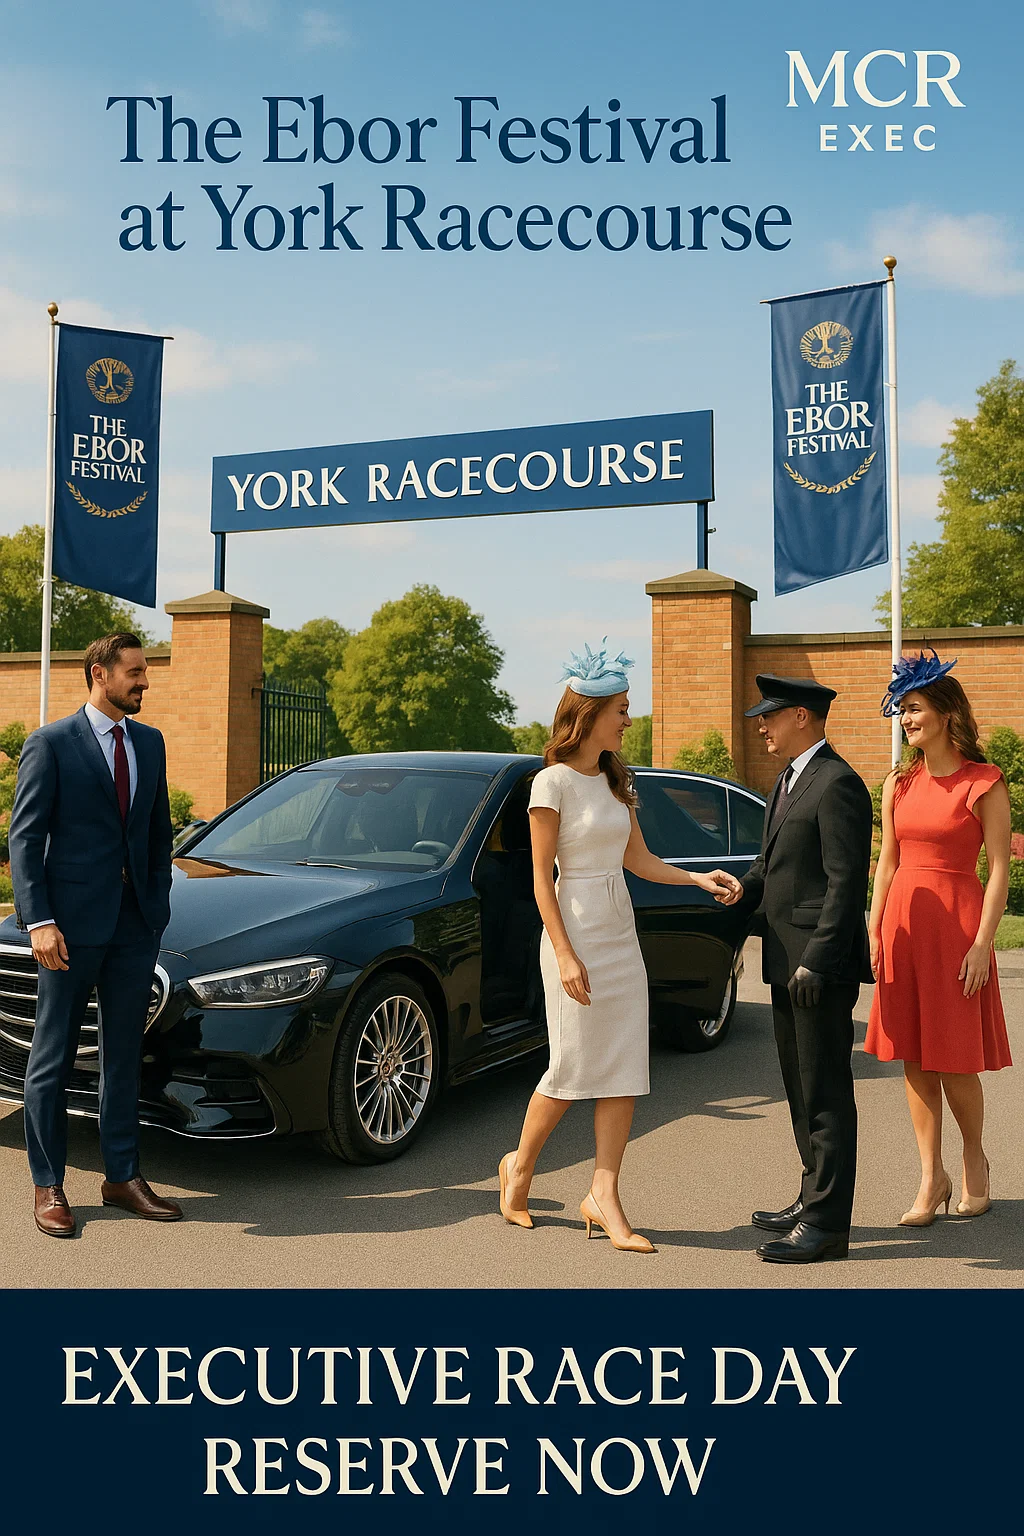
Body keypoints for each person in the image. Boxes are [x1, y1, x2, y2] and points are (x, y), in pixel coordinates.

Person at [497, 642, 742, 1252]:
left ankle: (603, 1194)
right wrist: (565, 953)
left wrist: (696, 879)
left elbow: (639, 860)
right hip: (573, 930)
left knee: (625, 1065)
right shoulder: (550, 782)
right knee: (570, 1066)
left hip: (618, 933)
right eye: (622, 709)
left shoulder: (617, 780)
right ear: (590, 713)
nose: (629, 719)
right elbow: (540, 880)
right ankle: (519, 1168)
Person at [8, 633, 181, 1237]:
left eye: (144, 671)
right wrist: (39, 920)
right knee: (52, 1056)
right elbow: (25, 838)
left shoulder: (150, 743)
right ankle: (48, 1184)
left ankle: (122, 1177)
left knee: (124, 1057)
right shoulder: (51, 743)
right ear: (99, 674)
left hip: (135, 925)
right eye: (134, 672)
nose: (144, 682)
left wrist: (157, 904)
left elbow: (158, 831)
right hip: (69, 929)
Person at [721, 673, 873, 1263]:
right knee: (799, 1087)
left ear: (802, 717)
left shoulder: (837, 783)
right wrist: (743, 888)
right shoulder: (788, 779)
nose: (762, 725)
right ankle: (813, 1197)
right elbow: (772, 864)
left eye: (770, 715)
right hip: (785, 960)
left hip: (817, 968)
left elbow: (845, 883)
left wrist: (818, 960)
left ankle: (827, 1225)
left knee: (825, 1091)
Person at [865, 652, 1012, 1225]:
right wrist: (875, 928)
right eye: (902, 710)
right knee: (915, 1057)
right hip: (904, 925)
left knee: (954, 1058)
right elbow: (887, 862)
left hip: (958, 928)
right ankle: (931, 1177)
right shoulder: (898, 783)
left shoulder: (984, 781)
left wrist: (982, 943)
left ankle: (974, 1158)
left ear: (947, 713)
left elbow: (998, 869)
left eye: (915, 708)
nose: (905, 719)